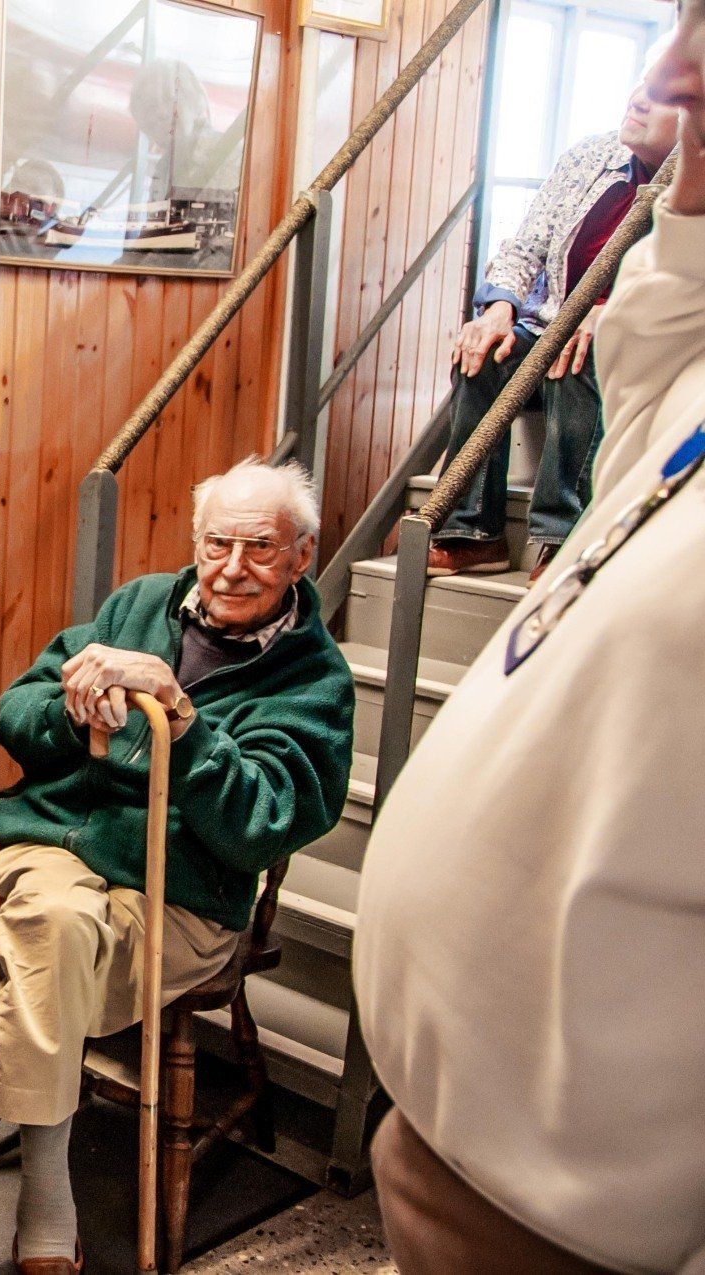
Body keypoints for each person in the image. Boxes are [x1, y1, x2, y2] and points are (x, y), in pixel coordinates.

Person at [355, 8, 705, 1272]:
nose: (663, 74)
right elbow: (658, 350)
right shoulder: (688, 390)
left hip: (570, 1228)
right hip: (444, 1156)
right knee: (540, 350)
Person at [0, 460, 354, 1275]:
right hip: (56, 855)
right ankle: (47, 1207)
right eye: (217, 542)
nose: (232, 565)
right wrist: (74, 714)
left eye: (260, 547)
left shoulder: (315, 682)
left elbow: (257, 825)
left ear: (302, 555)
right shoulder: (136, 607)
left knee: (2, 961)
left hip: (181, 903)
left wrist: (181, 719)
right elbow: (15, 713)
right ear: (196, 542)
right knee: (53, 920)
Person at [428, 78, 679, 581]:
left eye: (663, 95)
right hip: (553, 324)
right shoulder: (590, 156)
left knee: (579, 357)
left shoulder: (692, 182)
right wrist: (499, 307)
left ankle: (562, 539)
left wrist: (617, 312)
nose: (638, 98)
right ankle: (474, 532)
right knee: (482, 354)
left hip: (646, 340)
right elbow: (525, 247)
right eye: (640, 86)